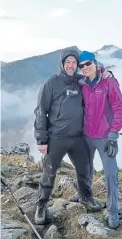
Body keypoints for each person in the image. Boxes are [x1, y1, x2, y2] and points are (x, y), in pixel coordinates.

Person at [33, 48, 102, 225]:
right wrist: (41, 139)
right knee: (49, 173)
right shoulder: (51, 84)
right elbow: (41, 111)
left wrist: (106, 72)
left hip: (78, 136)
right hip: (56, 137)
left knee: (85, 168)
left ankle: (85, 197)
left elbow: (97, 77)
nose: (71, 65)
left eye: (73, 62)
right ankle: (41, 205)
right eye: (67, 62)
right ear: (62, 64)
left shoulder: (81, 81)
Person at [78, 51, 122, 229]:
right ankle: (85, 194)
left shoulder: (109, 82)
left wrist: (114, 135)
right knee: (85, 167)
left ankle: (113, 211)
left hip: (105, 136)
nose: (85, 68)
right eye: (81, 66)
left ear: (96, 63)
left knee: (110, 173)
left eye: (88, 63)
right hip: (86, 135)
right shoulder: (81, 83)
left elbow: (119, 108)